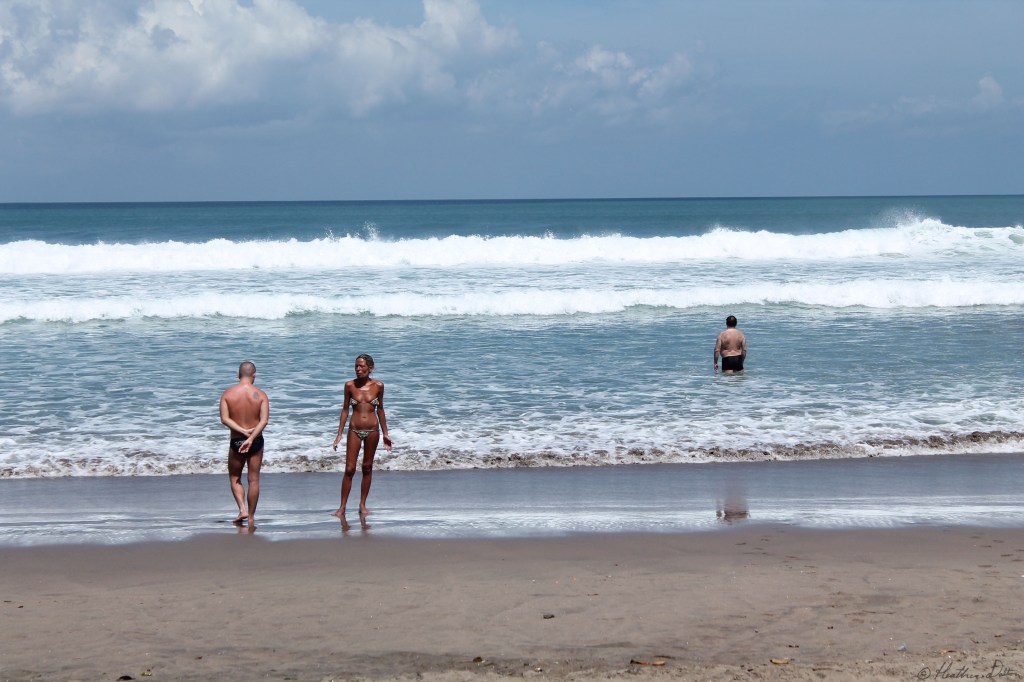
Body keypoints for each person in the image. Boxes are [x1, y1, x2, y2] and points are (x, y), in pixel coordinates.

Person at [332, 354, 392, 518]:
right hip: (354, 430)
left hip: (373, 431)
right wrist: (338, 435)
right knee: (349, 469)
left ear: (370, 368)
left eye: (361, 366)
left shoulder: (379, 386)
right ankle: (342, 507)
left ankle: (362, 504)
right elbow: (345, 410)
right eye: (356, 366)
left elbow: (380, 410)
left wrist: (386, 433)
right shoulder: (350, 386)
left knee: (367, 467)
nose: (358, 369)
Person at [219, 361, 269, 528]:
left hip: (236, 440)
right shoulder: (261, 394)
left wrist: (242, 432)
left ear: (237, 374)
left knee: (235, 478)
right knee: (253, 480)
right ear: (254, 375)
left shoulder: (227, 394)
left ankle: (242, 509)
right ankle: (252, 517)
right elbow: (264, 421)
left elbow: (224, 419)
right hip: (256, 441)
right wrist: (251, 437)